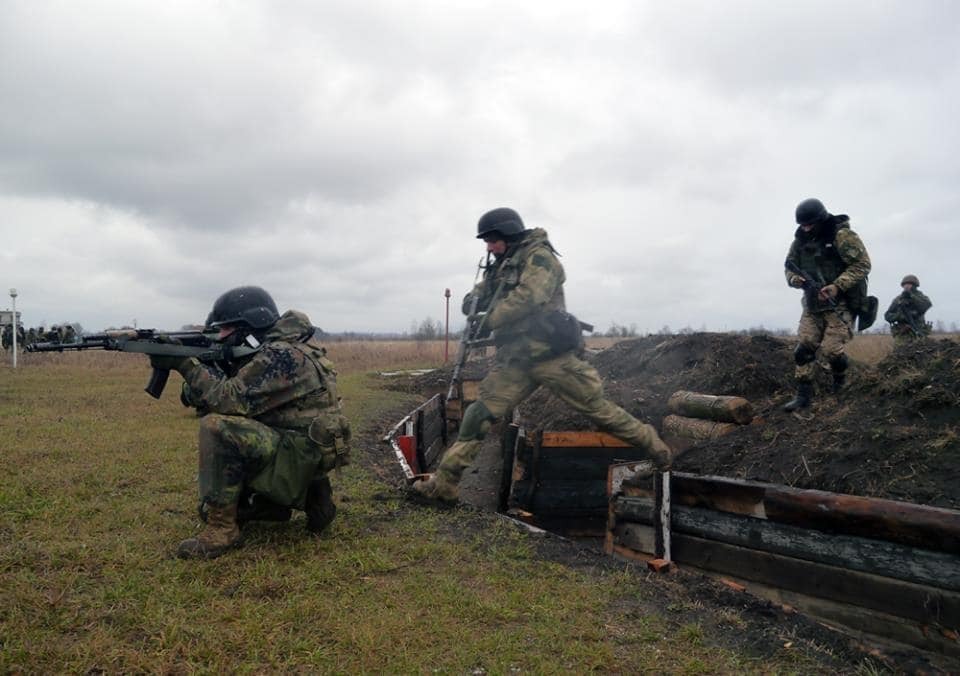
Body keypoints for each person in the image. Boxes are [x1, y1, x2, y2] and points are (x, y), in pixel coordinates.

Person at [412, 207, 673, 504]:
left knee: (601, 412)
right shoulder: (503, 264)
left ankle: (661, 455)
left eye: (493, 240)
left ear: (509, 234)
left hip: (554, 359)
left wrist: (489, 318)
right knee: (478, 414)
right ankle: (444, 485)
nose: (489, 246)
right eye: (487, 241)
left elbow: (529, 297)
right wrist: (473, 299)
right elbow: (486, 289)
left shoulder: (540, 258)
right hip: (517, 363)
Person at [149, 286, 351, 559]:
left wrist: (184, 364)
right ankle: (315, 499)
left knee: (217, 428)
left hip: (299, 456)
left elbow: (228, 400)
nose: (220, 336)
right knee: (249, 429)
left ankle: (222, 530)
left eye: (226, 330)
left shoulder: (280, 356)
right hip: (310, 452)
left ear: (249, 328)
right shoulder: (298, 347)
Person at [783, 198, 872, 411]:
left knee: (832, 351)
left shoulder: (842, 236)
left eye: (809, 224)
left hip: (839, 304)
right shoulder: (800, 242)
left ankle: (840, 386)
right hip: (812, 305)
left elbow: (863, 264)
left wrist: (837, 286)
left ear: (820, 220)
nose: (805, 228)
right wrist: (796, 280)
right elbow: (789, 268)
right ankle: (803, 398)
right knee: (803, 349)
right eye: (802, 225)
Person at [884, 274, 932, 342]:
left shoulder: (921, 297)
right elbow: (887, 315)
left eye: (909, 284)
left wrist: (912, 297)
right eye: (905, 284)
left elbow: (926, 305)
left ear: (914, 285)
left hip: (918, 330)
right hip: (903, 333)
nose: (906, 286)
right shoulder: (898, 299)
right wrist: (900, 316)